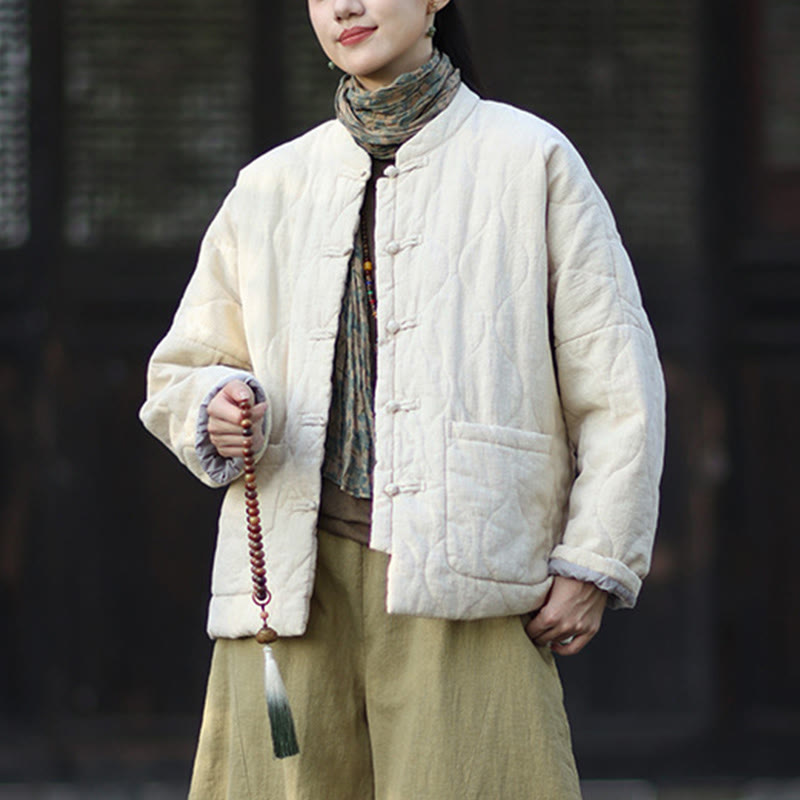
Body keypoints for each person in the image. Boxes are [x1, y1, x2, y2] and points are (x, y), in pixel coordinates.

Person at [140, 0, 666, 797]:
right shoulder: (271, 185)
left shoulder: (531, 160)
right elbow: (183, 370)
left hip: (470, 580)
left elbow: (618, 383)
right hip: (290, 584)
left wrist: (595, 560)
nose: (345, 7)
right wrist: (215, 402)